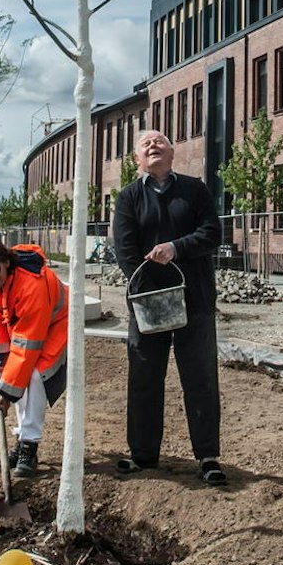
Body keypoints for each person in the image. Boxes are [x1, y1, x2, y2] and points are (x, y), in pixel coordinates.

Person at [111, 129, 226, 484]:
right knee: (145, 377)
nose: (152, 145)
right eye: (145, 144)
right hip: (148, 304)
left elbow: (211, 234)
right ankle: (143, 455)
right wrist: (146, 291)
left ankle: (207, 457)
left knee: (200, 378)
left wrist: (175, 248)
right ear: (137, 160)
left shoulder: (195, 190)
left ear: (173, 152)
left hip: (194, 299)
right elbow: (125, 251)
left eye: (159, 141)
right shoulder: (130, 197)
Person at [0, 238, 69, 480]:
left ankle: (29, 447)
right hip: (23, 330)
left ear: (6, 263)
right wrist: (0, 362)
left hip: (56, 324)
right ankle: (21, 437)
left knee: (34, 376)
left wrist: (6, 393)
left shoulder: (31, 284)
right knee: (13, 378)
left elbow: (27, 346)